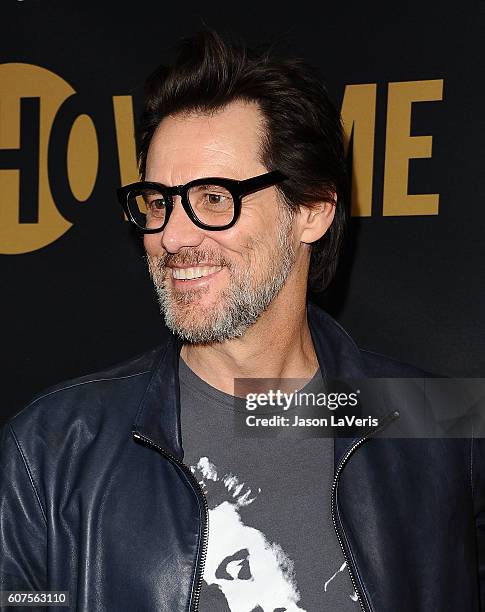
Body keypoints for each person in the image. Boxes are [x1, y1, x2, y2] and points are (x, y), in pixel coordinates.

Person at [1, 29, 483, 612]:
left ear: (310, 211)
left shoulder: (443, 429)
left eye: (213, 197)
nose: (171, 236)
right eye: (159, 201)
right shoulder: (51, 452)